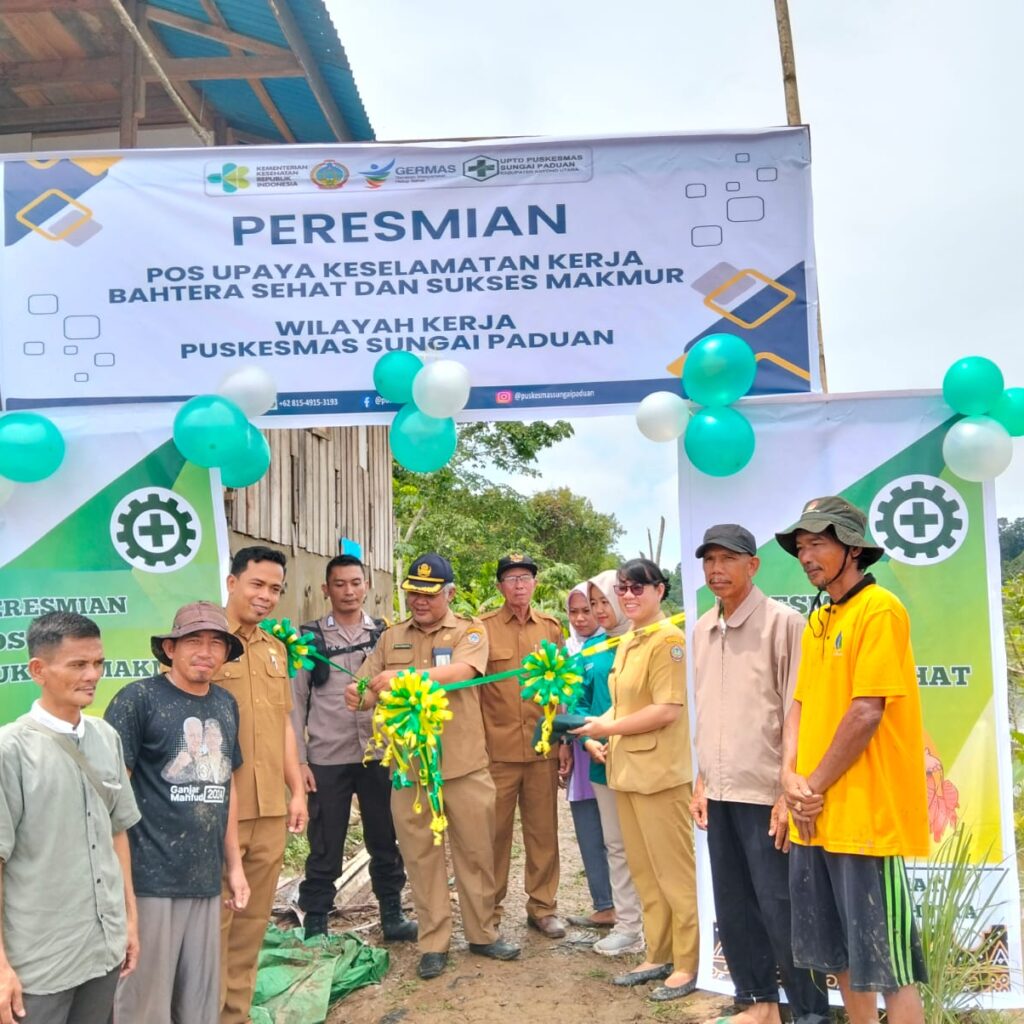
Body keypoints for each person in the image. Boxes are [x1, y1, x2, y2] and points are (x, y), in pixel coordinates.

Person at [776, 497, 929, 1024]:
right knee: (837, 957)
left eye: (818, 543)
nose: (806, 556)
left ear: (854, 548)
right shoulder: (819, 615)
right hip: (814, 818)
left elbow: (866, 712)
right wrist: (788, 777)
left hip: (863, 819)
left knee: (888, 965)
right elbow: (798, 705)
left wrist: (810, 785)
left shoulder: (879, 610)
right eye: (801, 546)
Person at [344, 554, 520, 981]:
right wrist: (359, 694)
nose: (419, 601)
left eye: (428, 593)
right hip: (410, 767)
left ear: (450, 593)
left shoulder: (469, 631)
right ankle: (434, 942)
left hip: (462, 765)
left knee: (476, 852)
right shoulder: (390, 638)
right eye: (412, 592)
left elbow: (463, 671)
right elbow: (367, 686)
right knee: (421, 858)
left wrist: (406, 679)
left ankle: (482, 933)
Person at [689, 525, 829, 1024]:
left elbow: (800, 710)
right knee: (733, 905)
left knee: (782, 909)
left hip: (766, 793)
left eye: (728, 559)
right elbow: (708, 713)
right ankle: (758, 1003)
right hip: (720, 791)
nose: (716, 570)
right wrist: (702, 781)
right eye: (709, 560)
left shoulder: (782, 623)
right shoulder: (703, 628)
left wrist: (784, 793)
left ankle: (811, 1012)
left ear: (754, 565)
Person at [105, 602, 250, 1024]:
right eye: (194, 641)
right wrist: (118, 877)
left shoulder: (225, 703)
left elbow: (226, 784)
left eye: (216, 643)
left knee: (197, 1004)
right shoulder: (139, 699)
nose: (205, 651)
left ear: (225, 654)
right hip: (150, 880)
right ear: (170, 648)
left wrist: (234, 866)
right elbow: (113, 792)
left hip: (204, 879)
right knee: (143, 1005)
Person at [0, 612, 140, 1024]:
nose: (92, 675)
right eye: (78, 664)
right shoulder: (11, 751)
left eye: (98, 663)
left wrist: (130, 922)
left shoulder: (105, 737)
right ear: (38, 670)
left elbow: (118, 833)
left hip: (102, 950)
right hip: (40, 965)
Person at [573, 559, 698, 1002]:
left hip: (661, 775)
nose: (628, 596)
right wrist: (594, 724)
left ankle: (688, 963)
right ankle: (658, 952)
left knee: (675, 874)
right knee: (645, 872)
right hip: (627, 772)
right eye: (622, 589)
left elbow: (667, 709)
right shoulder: (630, 641)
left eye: (637, 588)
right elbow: (622, 708)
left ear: (660, 590)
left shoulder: (669, 642)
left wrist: (606, 729)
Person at [293, 554, 415, 942]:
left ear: (367, 586)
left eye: (355, 583)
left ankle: (392, 914)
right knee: (325, 840)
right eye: (340, 584)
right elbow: (294, 704)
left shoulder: (385, 634)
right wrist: (298, 761)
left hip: (378, 754)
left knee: (385, 836)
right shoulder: (308, 639)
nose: (348, 591)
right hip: (327, 757)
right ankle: (315, 920)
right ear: (326, 589)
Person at [213, 546, 308, 1024]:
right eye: (257, 585)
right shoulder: (206, 646)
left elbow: (285, 727)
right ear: (232, 583)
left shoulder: (275, 650)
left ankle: (236, 1016)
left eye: (275, 589)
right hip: (218, 812)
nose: (266, 597)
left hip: (270, 807)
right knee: (215, 925)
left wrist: (296, 792)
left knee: (252, 927)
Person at [479, 553, 567, 938]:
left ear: (535, 584)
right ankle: (490, 911)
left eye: (526, 578)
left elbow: (563, 685)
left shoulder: (549, 629)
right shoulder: (480, 630)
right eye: (511, 578)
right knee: (493, 836)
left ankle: (543, 907)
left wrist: (561, 739)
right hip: (495, 752)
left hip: (540, 750)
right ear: (499, 586)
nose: (519, 584)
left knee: (543, 833)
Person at [577, 570, 645, 957]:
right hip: (604, 762)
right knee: (617, 846)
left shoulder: (647, 638)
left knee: (652, 847)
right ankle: (629, 926)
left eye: (606, 601)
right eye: (595, 603)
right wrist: (587, 740)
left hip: (645, 761)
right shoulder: (592, 650)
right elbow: (579, 703)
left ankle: (669, 933)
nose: (601, 610)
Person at [560, 584, 615, 930]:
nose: (582, 618)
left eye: (590, 609)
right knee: (589, 827)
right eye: (575, 611)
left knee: (619, 833)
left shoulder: (616, 644)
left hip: (611, 744)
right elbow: (565, 702)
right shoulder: (566, 650)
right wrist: (565, 742)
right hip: (581, 748)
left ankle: (629, 908)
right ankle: (604, 903)